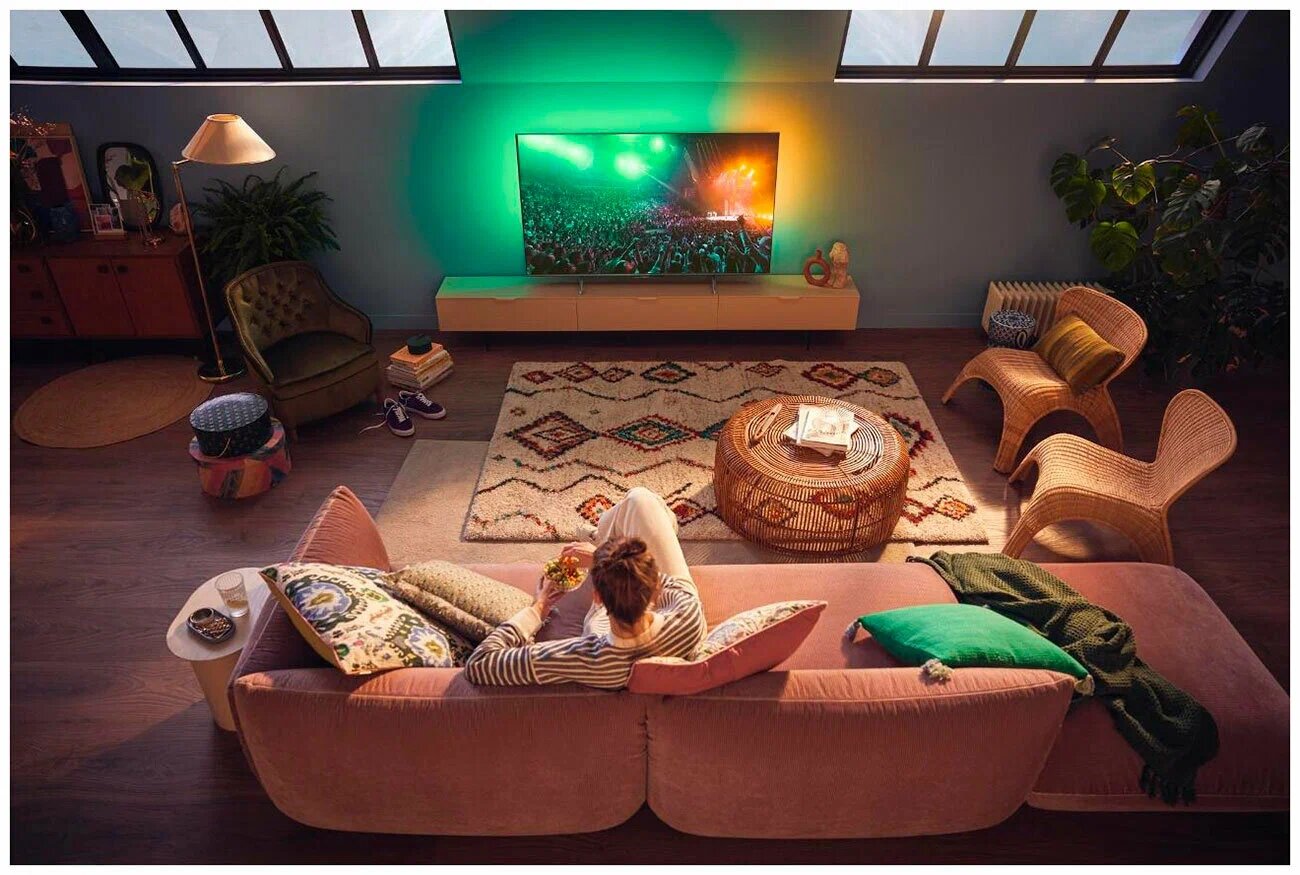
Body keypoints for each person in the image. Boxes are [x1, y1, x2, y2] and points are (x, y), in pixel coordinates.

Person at [464, 487, 705, 689]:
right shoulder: (688, 614)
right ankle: (604, 536)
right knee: (641, 500)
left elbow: (479, 664)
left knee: (635, 503)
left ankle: (603, 536)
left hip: (605, 632)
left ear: (597, 597)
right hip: (669, 629)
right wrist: (603, 561)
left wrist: (539, 607)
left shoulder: (587, 658)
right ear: (654, 587)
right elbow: (662, 580)